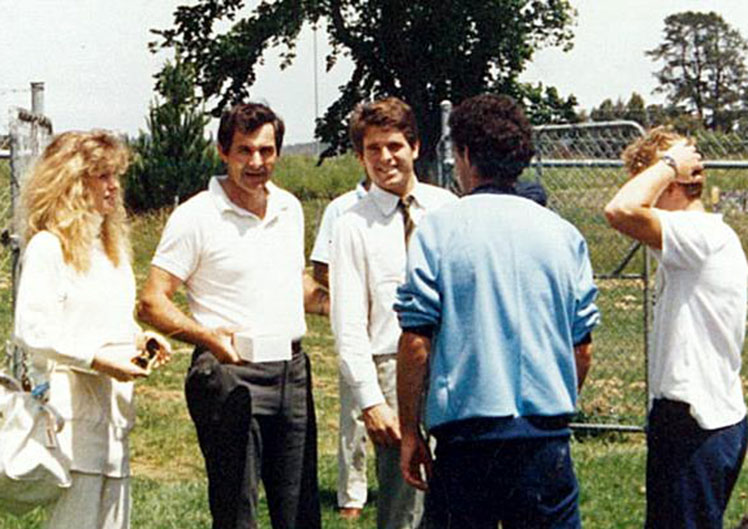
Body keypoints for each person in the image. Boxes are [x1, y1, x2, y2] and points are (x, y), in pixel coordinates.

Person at [394, 94, 600, 529]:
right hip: (544, 439)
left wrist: (410, 430)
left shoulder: (438, 232)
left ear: (465, 154)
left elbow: (416, 342)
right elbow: (581, 348)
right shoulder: (563, 235)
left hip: (468, 441)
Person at [138, 103, 321, 529]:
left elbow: (297, 286)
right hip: (228, 372)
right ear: (223, 151)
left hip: (291, 372)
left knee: (300, 511)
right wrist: (207, 337)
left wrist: (344, 303)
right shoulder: (196, 216)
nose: (257, 162)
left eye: (267, 150)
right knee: (238, 512)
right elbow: (152, 301)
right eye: (245, 151)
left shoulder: (289, 209)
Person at [13, 130, 170, 529]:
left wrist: (141, 340)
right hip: (71, 416)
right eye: (102, 175)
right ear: (71, 181)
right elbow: (32, 329)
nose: (114, 186)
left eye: (115, 175)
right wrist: (96, 359)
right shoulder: (49, 247)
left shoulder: (110, 248)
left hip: (116, 416)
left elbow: (111, 321)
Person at [604, 127, 747, 529]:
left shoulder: (698, 235)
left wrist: (666, 165)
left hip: (693, 423)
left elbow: (619, 211)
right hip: (705, 419)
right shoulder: (702, 239)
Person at [330, 97, 457, 529]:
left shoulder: (448, 209)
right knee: (404, 508)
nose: (385, 158)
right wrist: (371, 402)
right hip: (392, 372)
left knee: (459, 501)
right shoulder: (351, 224)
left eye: (394, 146)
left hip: (454, 368)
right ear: (361, 157)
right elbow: (347, 325)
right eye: (373, 149)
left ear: (416, 147)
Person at [309, 177, 371, 520]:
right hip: (359, 320)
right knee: (355, 409)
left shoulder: (423, 202)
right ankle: (352, 492)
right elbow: (320, 267)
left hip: (406, 319)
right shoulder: (342, 207)